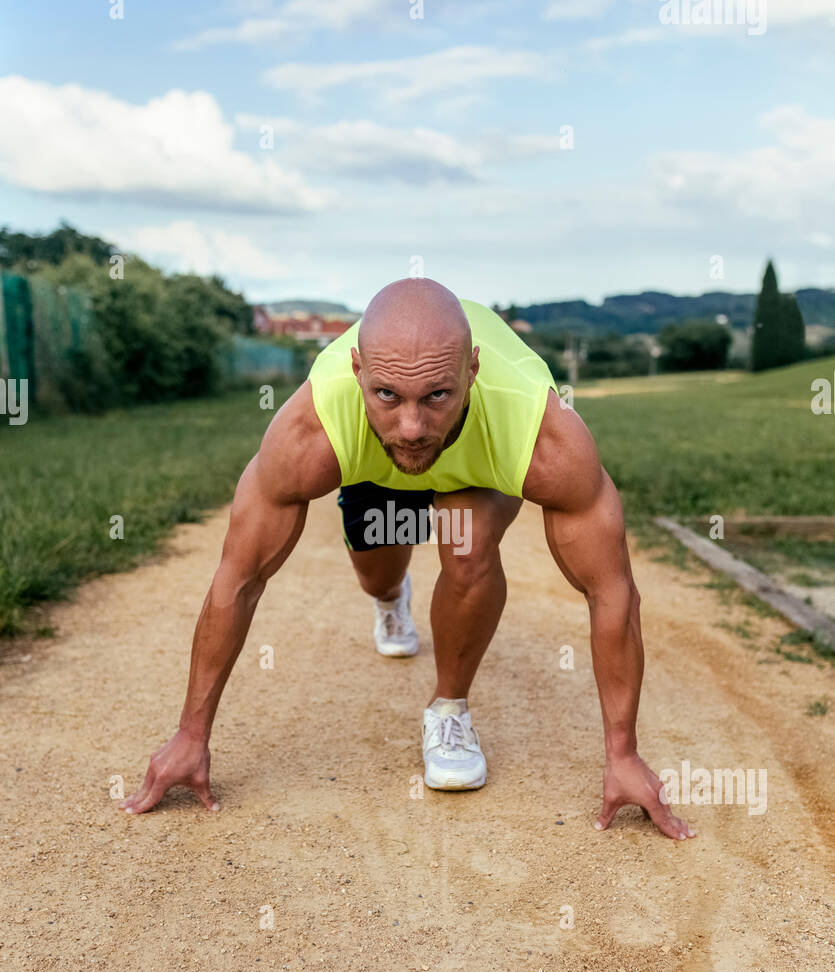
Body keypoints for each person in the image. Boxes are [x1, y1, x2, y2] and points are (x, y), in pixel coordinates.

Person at [122, 278, 695, 840]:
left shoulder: (539, 432)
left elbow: (610, 589)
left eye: (437, 395)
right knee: (378, 572)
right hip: (376, 467)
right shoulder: (312, 430)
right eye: (388, 395)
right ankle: (392, 599)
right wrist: (189, 735)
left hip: (476, 468)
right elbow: (240, 578)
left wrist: (623, 753)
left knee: (465, 543)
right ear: (358, 373)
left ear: (471, 372)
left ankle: (449, 710)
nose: (413, 427)